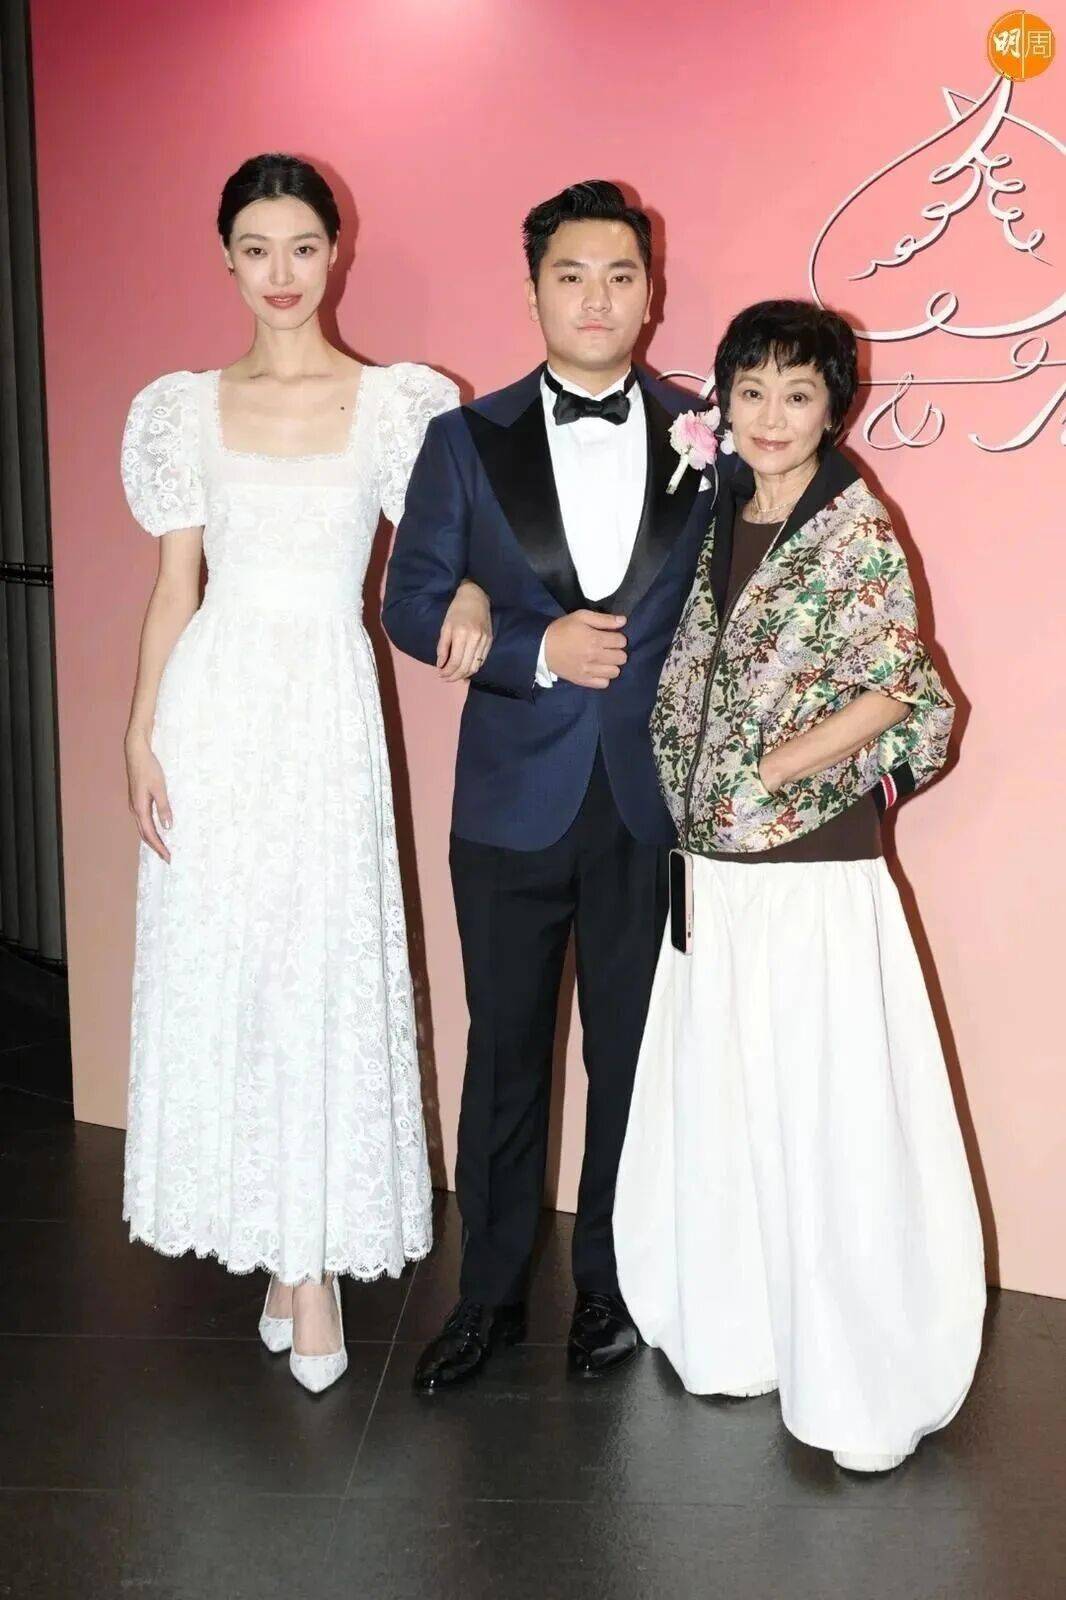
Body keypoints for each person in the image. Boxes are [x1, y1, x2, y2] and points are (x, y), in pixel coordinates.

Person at [613, 299, 986, 1471]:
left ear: (834, 408)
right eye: (752, 391)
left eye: (798, 393)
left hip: (809, 868)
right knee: (732, 1103)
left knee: (824, 1114)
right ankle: (740, 1329)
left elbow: (900, 686)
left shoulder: (852, 526)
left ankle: (854, 1365)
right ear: (724, 401)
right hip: (714, 869)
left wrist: (775, 767)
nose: (771, 415)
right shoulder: (720, 511)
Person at [120, 153, 470, 1393]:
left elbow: (444, 556)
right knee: (238, 966)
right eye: (257, 248)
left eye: (303, 246)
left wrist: (476, 598)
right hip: (214, 707)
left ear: (337, 252)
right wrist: (139, 732)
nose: (282, 272)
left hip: (325, 705)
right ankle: (282, 1244)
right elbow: (176, 588)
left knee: (320, 963)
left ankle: (309, 1263)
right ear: (226, 259)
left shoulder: (397, 406)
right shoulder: (182, 409)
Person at [384, 180, 733, 1391]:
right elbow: (410, 600)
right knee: (506, 1056)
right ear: (532, 290)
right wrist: (532, 646)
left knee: (631, 1057)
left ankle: (610, 1289)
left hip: (644, 805)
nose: (597, 297)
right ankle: (486, 1297)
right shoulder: (463, 440)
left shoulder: (708, 437)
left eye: (620, 275)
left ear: (651, 293)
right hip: (508, 805)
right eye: (571, 274)